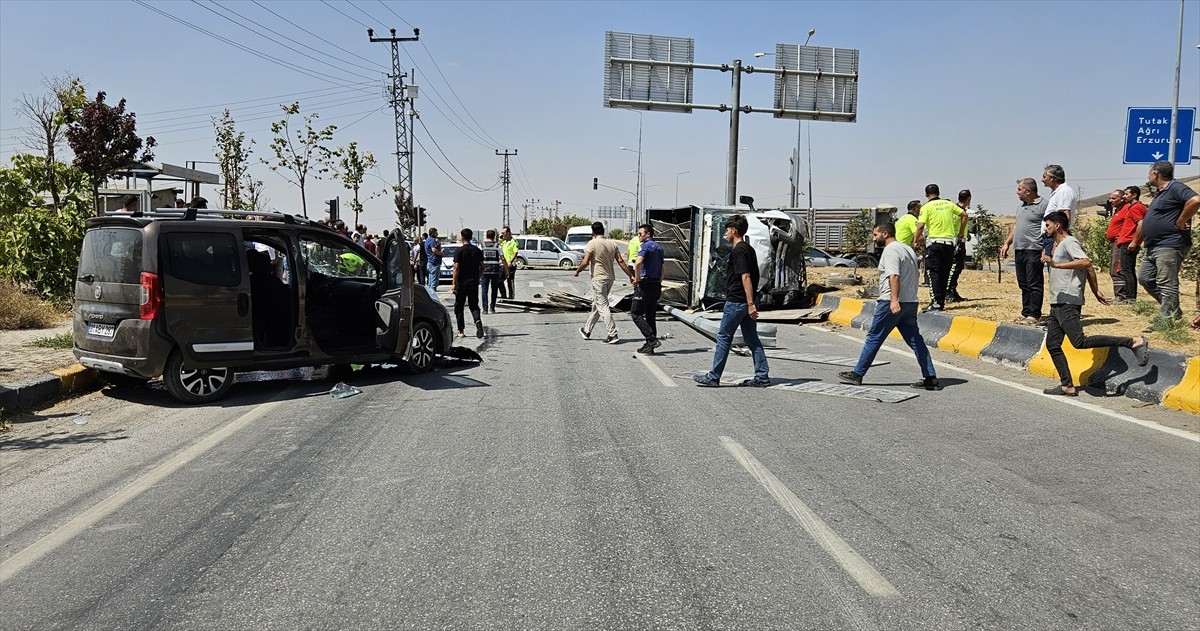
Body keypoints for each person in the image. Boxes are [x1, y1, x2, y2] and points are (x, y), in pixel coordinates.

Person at [1039, 211, 1149, 395]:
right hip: (1057, 302)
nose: (1046, 228)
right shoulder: (1057, 245)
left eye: (1048, 225)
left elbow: (1085, 262)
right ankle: (1067, 385)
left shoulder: (1070, 242)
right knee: (1052, 344)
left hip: (1068, 301)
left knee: (1079, 341)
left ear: (1057, 225)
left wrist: (1056, 265)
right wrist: (1095, 290)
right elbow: (1088, 268)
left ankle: (1133, 342)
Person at [838, 221, 939, 390]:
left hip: (891, 302)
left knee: (873, 337)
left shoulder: (890, 250)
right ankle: (930, 376)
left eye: (875, 234)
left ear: (885, 234)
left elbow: (894, 276)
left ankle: (857, 374)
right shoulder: (907, 249)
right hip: (910, 303)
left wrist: (893, 300)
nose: (874, 238)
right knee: (916, 341)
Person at [693, 214, 770, 387]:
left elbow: (746, 277)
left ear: (734, 230)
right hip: (745, 302)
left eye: (727, 230)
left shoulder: (739, 250)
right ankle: (762, 376)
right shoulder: (748, 248)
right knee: (752, 339)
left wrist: (750, 304)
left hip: (737, 302)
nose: (725, 234)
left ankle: (713, 377)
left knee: (724, 337)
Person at [1133, 161, 1198, 327]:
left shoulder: (1175, 187)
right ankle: (1173, 310)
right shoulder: (1160, 193)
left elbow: (1195, 200)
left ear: (1156, 174)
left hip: (1170, 243)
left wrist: (1182, 220)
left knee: (1166, 282)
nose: (1148, 176)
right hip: (1154, 245)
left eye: (1149, 173)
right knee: (1145, 277)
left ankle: (1167, 320)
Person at [1000, 178, 1050, 324]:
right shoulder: (1021, 207)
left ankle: (1034, 314)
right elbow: (1016, 226)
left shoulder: (1044, 205)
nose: (1017, 192)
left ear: (1028, 191)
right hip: (1020, 249)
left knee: (1034, 283)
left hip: (1034, 249)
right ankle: (1026, 312)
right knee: (1023, 283)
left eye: (1019, 189)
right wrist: (1007, 243)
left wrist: (1046, 248)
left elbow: (1050, 227)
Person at [574, 221, 633, 344]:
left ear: (593, 232)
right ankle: (587, 330)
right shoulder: (612, 244)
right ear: (603, 231)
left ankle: (613, 334)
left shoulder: (592, 243)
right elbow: (621, 261)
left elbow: (585, 262)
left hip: (598, 279)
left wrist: (577, 271)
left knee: (603, 306)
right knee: (597, 305)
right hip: (610, 278)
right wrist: (630, 276)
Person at [913, 183, 965, 312]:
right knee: (944, 272)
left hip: (935, 244)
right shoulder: (948, 204)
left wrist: (915, 240)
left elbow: (920, 226)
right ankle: (940, 302)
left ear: (926, 195)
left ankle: (936, 302)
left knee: (933, 272)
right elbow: (964, 214)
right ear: (939, 192)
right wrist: (961, 233)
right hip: (949, 245)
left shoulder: (927, 207)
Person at [631, 223, 665, 354]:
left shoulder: (645, 246)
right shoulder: (658, 248)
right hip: (656, 284)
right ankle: (650, 347)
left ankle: (651, 339)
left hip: (645, 283)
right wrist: (659, 283)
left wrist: (637, 278)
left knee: (635, 313)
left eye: (640, 234)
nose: (639, 236)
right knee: (651, 315)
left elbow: (638, 262)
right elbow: (663, 269)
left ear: (648, 234)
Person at [451, 228, 485, 338]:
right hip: (473, 282)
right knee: (474, 305)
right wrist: (477, 277)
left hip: (462, 283)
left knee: (459, 306)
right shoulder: (477, 250)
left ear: (462, 237)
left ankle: (461, 330)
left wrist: (454, 282)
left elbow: (456, 267)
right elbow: (482, 267)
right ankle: (478, 321)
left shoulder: (459, 251)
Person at [1041, 164, 1076, 254]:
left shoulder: (1064, 191)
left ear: (1052, 178)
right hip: (1051, 237)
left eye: (1044, 177)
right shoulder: (1057, 192)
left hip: (1055, 237)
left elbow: (1064, 216)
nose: (1042, 180)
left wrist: (1058, 241)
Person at [946, 189, 972, 302]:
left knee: (958, 267)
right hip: (956, 242)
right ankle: (949, 291)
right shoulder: (959, 211)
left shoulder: (955, 209)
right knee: (955, 267)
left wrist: (967, 234)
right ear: (969, 199)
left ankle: (952, 290)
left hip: (959, 240)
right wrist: (961, 234)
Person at [480, 229, 507, 314]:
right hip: (495, 270)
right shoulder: (497, 246)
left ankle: (485, 309)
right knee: (494, 289)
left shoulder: (482, 246)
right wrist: (507, 270)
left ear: (487, 236)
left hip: (484, 271)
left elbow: (478, 258)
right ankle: (492, 307)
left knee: (484, 290)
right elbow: (502, 258)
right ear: (494, 236)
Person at [500, 226, 518, 300]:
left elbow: (515, 252)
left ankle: (511, 296)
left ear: (508, 233)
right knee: (499, 280)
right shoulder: (503, 242)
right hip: (503, 264)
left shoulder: (513, 241)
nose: (502, 234)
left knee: (510, 281)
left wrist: (510, 261)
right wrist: (500, 238)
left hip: (510, 264)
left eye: (503, 233)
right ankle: (503, 294)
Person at [423, 228, 443, 293]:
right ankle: (433, 298)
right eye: (436, 233)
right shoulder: (432, 240)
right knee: (434, 282)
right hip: (434, 262)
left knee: (430, 281)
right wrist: (441, 254)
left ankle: (429, 296)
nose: (437, 234)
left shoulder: (427, 240)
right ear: (433, 233)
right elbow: (434, 250)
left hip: (430, 262)